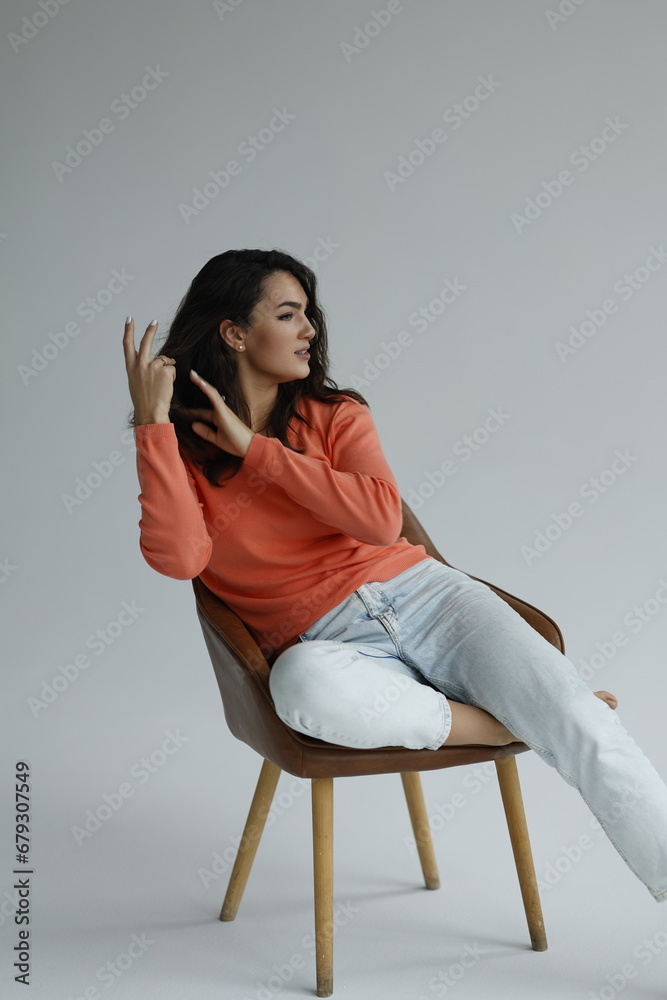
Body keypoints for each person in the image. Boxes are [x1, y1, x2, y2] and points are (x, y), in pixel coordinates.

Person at [123, 247, 667, 903]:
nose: (309, 331)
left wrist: (258, 453)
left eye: (308, 315)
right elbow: (180, 558)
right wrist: (153, 428)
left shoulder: (334, 414)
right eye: (288, 314)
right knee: (300, 689)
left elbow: (381, 521)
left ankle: (558, 718)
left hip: (430, 602)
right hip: (324, 646)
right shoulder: (180, 450)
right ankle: (518, 719)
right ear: (234, 332)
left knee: (591, 735)